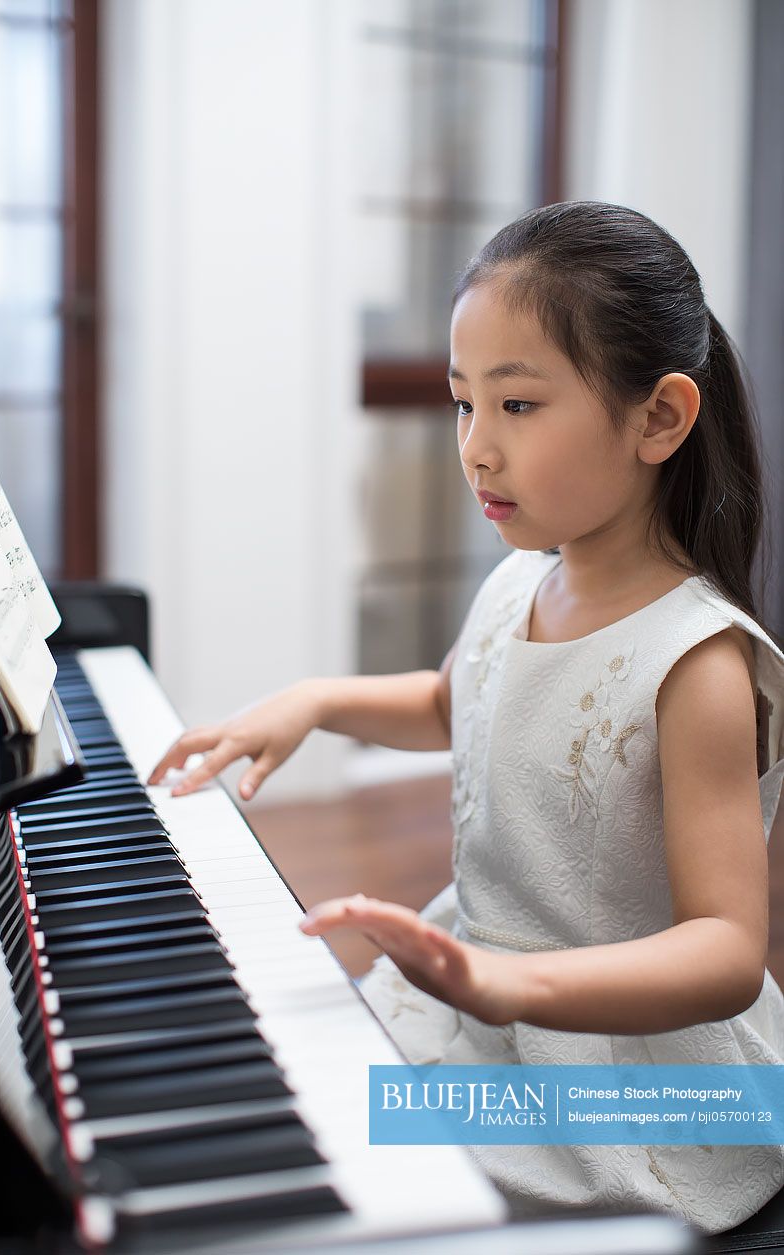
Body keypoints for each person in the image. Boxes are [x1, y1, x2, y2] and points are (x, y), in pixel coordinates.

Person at [149, 201, 784, 1235]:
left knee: (336, 1187)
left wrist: (510, 979)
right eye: (460, 405)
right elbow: (462, 700)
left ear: (659, 420)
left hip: (616, 1081)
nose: (475, 450)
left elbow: (724, 948)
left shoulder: (696, 662)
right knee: (279, 1115)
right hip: (474, 998)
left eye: (519, 406)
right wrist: (316, 700)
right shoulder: (521, 581)